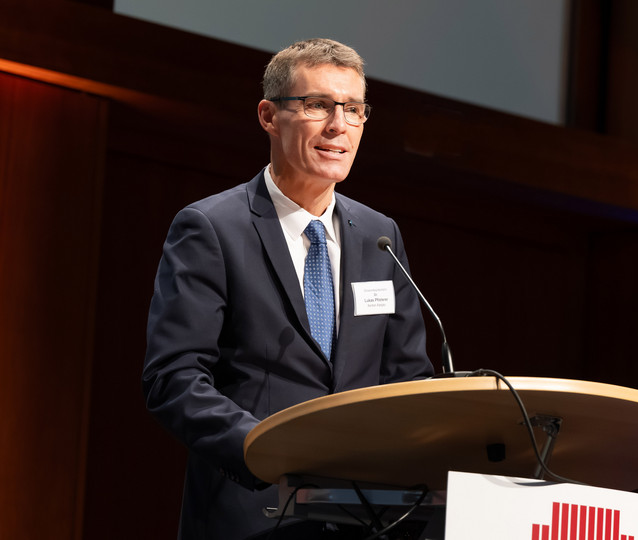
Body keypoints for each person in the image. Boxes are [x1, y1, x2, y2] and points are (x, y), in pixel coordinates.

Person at [142, 38, 435, 539]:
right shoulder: (212, 228)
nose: (338, 125)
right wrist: (266, 450)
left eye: (353, 109)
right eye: (317, 105)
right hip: (252, 512)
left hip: (364, 519)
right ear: (268, 115)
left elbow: (407, 379)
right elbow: (174, 376)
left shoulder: (379, 236)